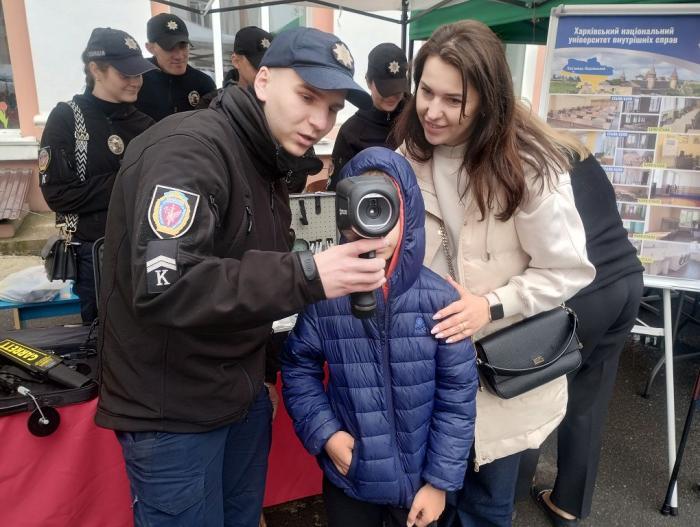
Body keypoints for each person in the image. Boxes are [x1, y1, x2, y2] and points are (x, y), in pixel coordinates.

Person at [95, 27, 384, 527]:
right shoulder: (188, 150)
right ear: (264, 81)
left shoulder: (266, 159)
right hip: (172, 410)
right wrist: (308, 272)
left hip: (239, 393)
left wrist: (265, 373)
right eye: (307, 97)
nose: (320, 121)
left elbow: (251, 275)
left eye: (333, 108)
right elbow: (168, 284)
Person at [392, 20, 595, 526]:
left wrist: (491, 304)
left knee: (484, 507)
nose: (432, 111)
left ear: (488, 101)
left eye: (453, 100)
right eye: (426, 92)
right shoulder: (407, 156)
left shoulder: (530, 166)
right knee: (420, 506)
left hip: (499, 374)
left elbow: (569, 270)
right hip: (426, 372)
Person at [282, 146, 478, 527]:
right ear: (344, 215)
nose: (376, 228)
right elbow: (297, 367)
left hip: (420, 488)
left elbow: (458, 395)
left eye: (386, 209)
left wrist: (439, 483)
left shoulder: (440, 300)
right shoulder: (326, 299)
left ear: (409, 214)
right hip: (351, 480)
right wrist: (326, 433)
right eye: (364, 208)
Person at [522, 152, 644, 526]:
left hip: (581, 293)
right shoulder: (572, 150)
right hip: (627, 281)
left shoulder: (520, 160)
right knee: (589, 400)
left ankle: (506, 497)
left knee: (529, 397)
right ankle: (569, 505)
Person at [38, 27, 155, 323]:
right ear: (96, 70)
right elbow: (58, 195)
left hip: (145, 248)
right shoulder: (66, 118)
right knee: (102, 336)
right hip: (94, 253)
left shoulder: (146, 124)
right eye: (125, 73)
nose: (135, 81)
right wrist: (128, 180)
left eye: (138, 73)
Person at [327, 43, 408, 191]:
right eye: (385, 89)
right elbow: (336, 191)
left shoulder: (417, 119)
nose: (391, 96)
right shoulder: (351, 132)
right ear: (368, 81)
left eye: (397, 89)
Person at [135, 13, 216, 121]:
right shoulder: (135, 80)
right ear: (150, 48)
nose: (179, 56)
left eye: (183, 46)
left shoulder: (203, 83)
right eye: (169, 48)